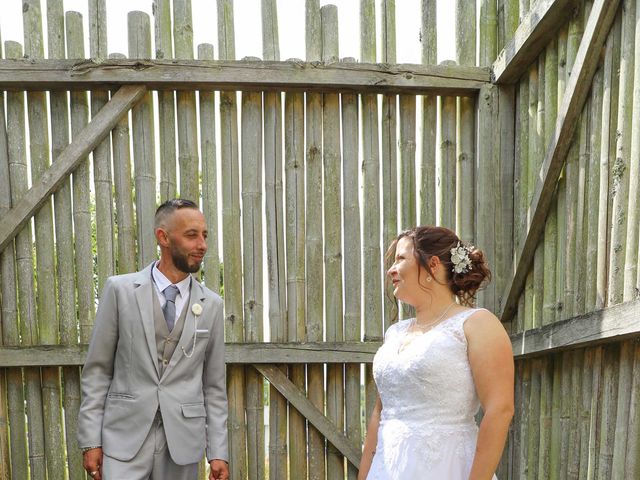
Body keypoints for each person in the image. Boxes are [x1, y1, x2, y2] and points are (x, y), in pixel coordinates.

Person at [78, 199, 229, 480]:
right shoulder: (120, 291)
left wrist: (218, 451)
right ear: (163, 237)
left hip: (182, 442)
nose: (202, 245)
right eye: (191, 235)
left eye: (204, 235)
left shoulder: (212, 305)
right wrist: (91, 441)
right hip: (123, 439)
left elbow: (214, 386)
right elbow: (97, 372)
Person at [358, 226, 514, 480]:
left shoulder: (477, 324)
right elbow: (380, 412)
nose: (390, 270)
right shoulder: (394, 333)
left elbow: (500, 409)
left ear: (432, 264)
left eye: (400, 258)